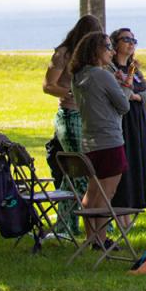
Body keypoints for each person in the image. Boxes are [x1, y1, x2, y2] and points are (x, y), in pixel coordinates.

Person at [69, 31, 133, 249]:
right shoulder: (103, 75)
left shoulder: (79, 77)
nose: (112, 51)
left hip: (89, 142)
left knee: (92, 192)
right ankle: (101, 240)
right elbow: (124, 106)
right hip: (110, 141)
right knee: (106, 194)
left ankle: (91, 238)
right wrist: (125, 86)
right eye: (108, 47)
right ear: (95, 50)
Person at [43, 14, 103, 236]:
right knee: (77, 168)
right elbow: (48, 85)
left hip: (89, 116)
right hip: (69, 115)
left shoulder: (92, 57)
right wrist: (70, 92)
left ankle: (76, 221)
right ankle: (67, 223)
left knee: (88, 171)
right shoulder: (63, 54)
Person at [108, 27, 146, 227]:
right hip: (122, 122)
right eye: (125, 39)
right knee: (123, 164)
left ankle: (132, 209)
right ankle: (120, 215)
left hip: (138, 122)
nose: (130, 43)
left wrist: (136, 96)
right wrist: (132, 95)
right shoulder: (111, 71)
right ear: (115, 43)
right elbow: (120, 97)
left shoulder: (134, 70)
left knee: (137, 162)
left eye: (133, 40)